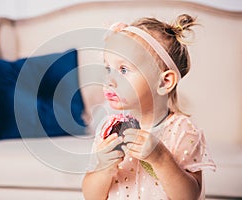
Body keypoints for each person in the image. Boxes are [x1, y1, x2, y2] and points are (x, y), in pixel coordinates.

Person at [82, 14, 216, 200]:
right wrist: (103, 168)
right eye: (108, 69)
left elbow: (189, 196)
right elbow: (91, 196)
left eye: (123, 70)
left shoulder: (182, 131)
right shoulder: (109, 129)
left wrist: (160, 158)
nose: (109, 80)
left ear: (164, 82)